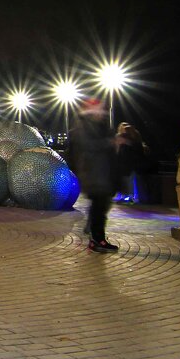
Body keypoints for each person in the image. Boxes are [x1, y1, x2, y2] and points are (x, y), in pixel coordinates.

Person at [69, 98, 119, 252]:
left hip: (100, 173)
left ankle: (95, 236)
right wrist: (110, 142)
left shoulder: (97, 126)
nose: (101, 114)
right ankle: (97, 239)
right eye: (99, 111)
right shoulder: (83, 126)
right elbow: (87, 146)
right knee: (99, 206)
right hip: (93, 173)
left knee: (100, 206)